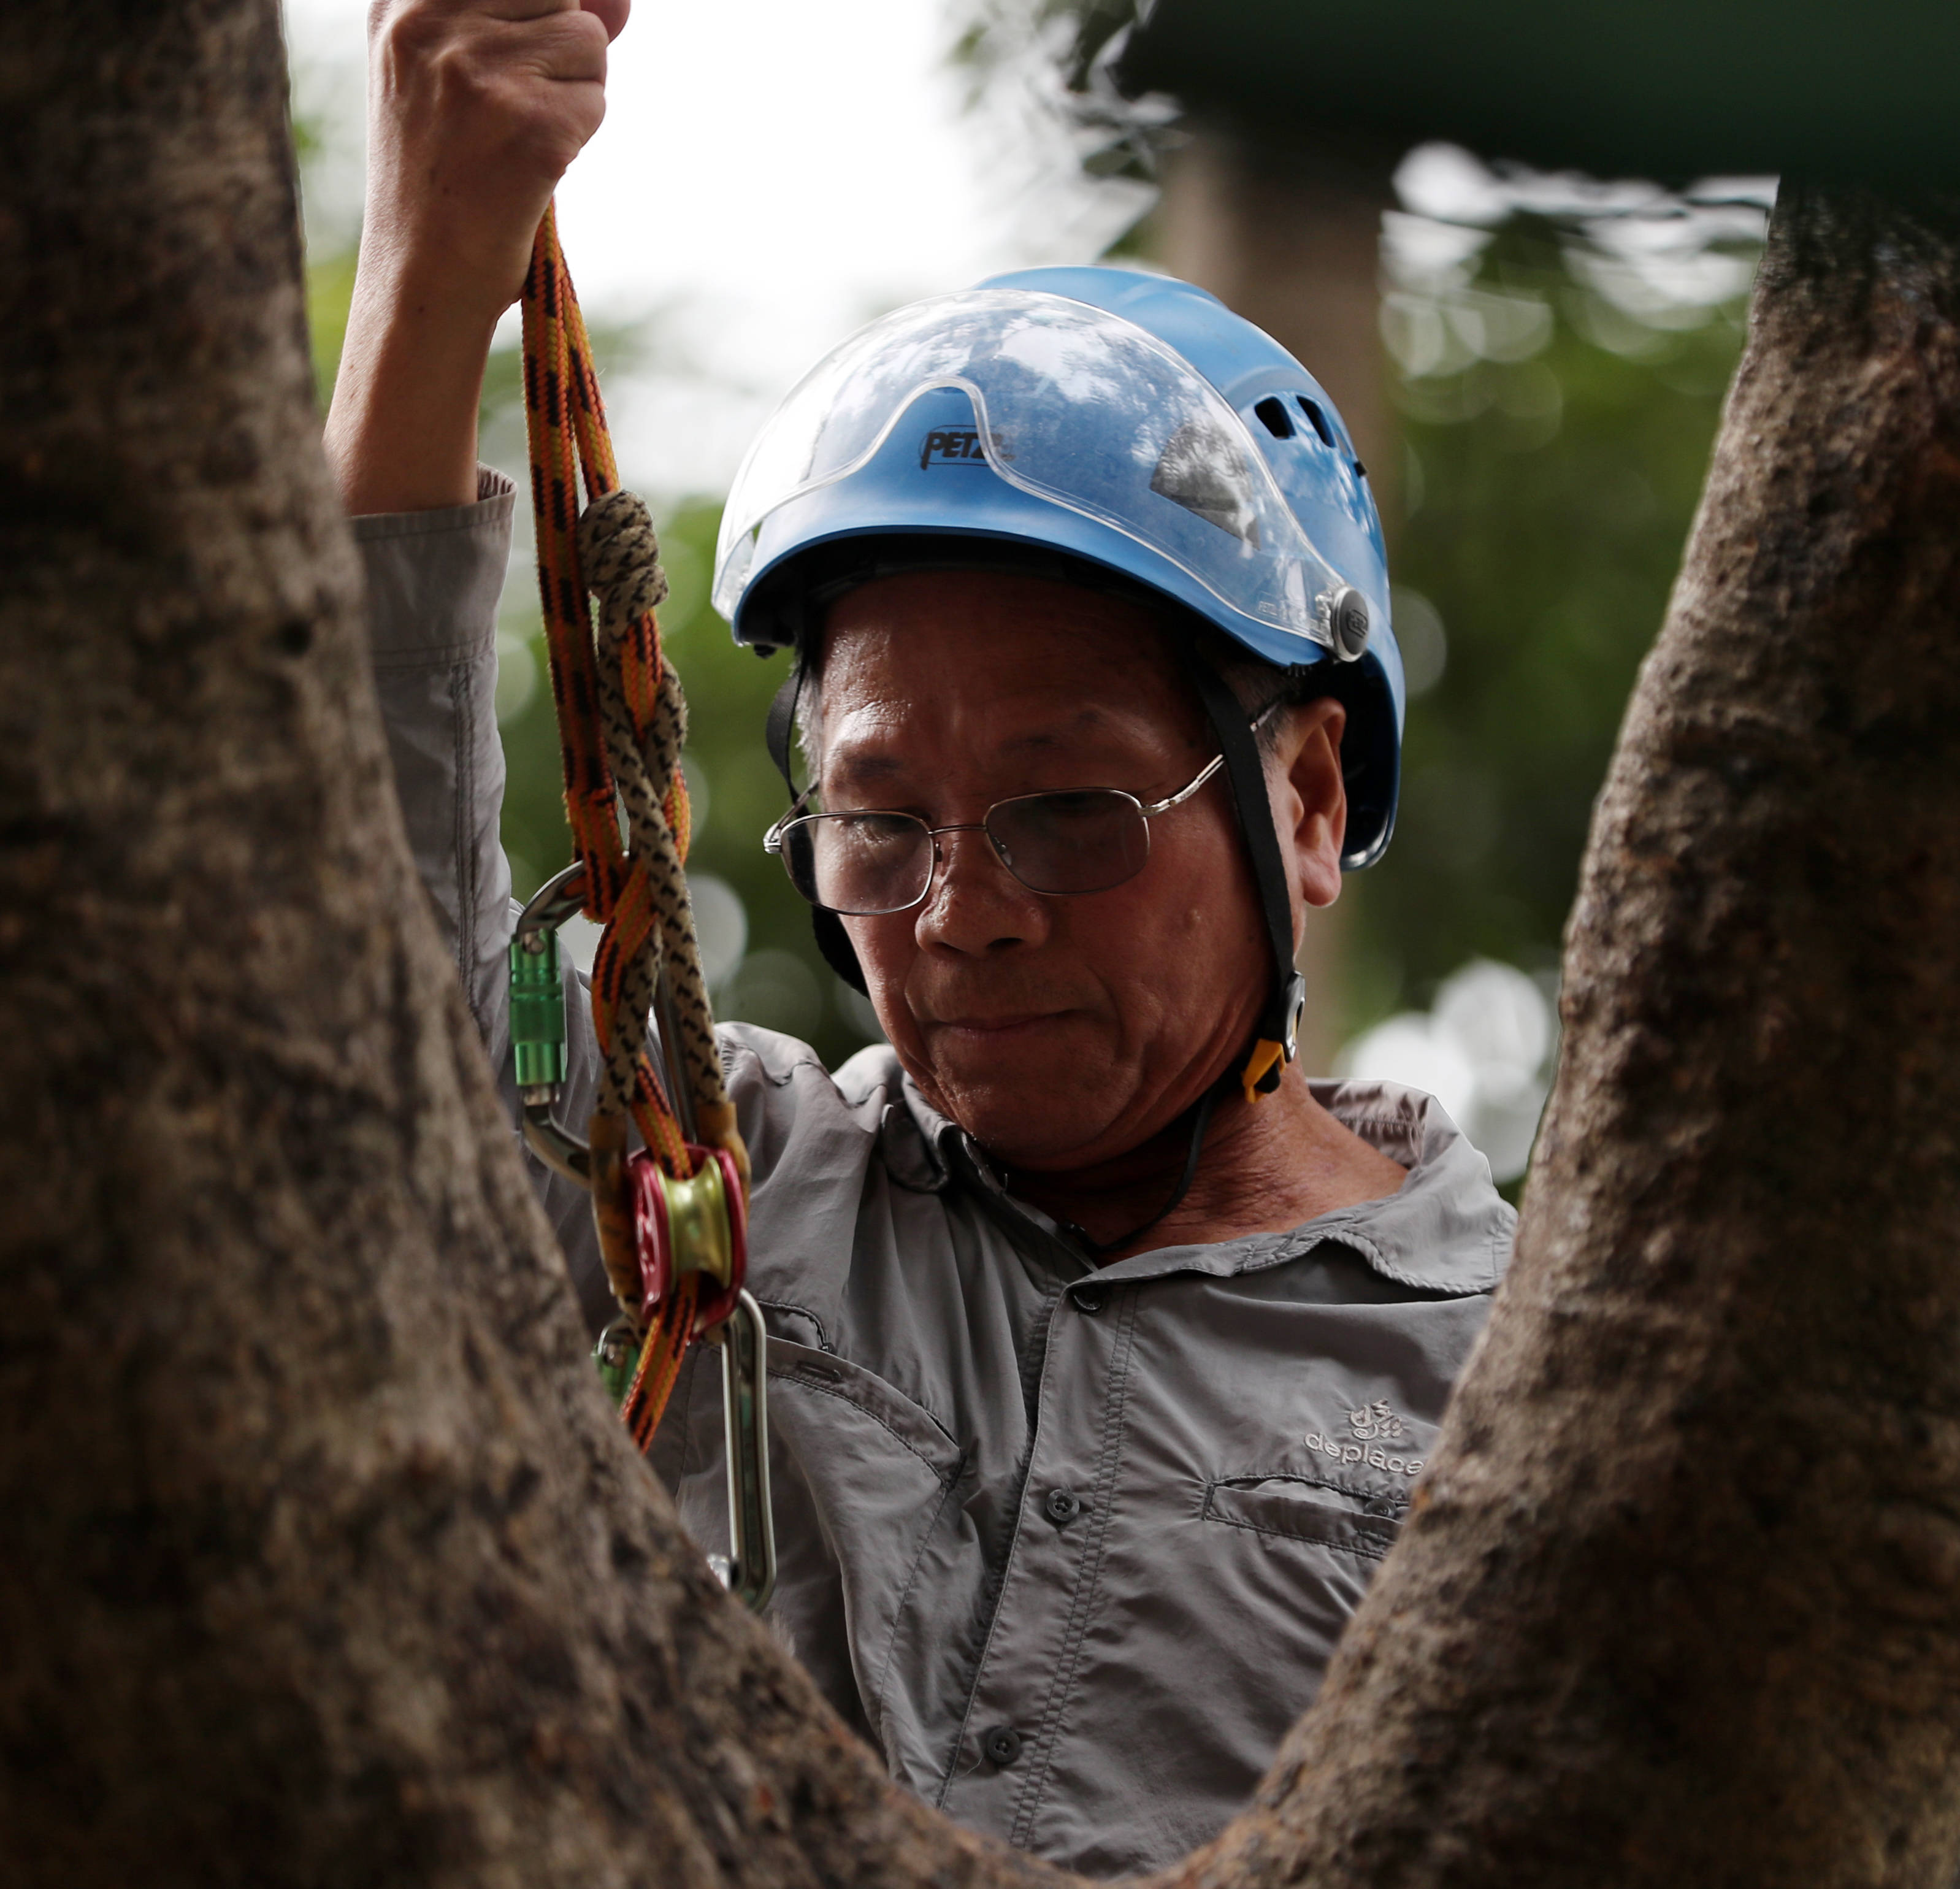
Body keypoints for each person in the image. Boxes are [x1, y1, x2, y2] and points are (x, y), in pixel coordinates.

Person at [329, 1, 1515, 1876]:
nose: (959, 918)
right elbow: (335, 1006)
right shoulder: (724, 1190)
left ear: (1299, 803)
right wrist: (426, 277)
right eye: (880, 825)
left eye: (1065, 812)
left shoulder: (1514, 1391)